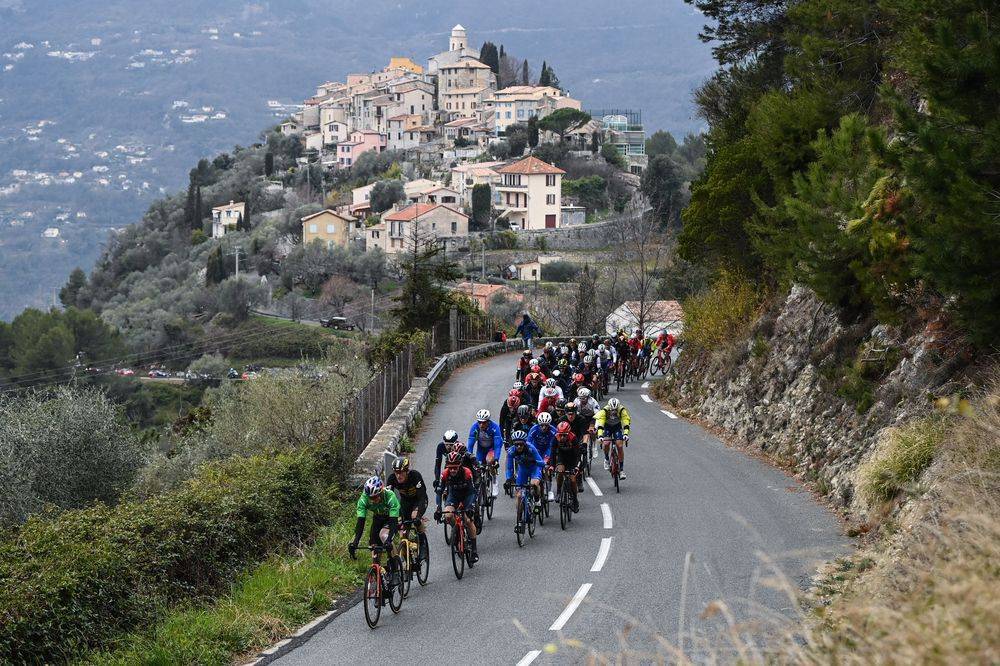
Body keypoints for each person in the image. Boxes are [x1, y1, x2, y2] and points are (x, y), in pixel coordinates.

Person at [349, 476, 401, 581]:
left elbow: (393, 522)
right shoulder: (364, 499)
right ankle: (378, 582)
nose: (374, 500)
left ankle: (395, 570)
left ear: (381, 491)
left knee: (384, 536)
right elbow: (360, 523)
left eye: (376, 496)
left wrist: (389, 540)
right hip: (378, 518)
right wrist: (355, 542)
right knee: (374, 548)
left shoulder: (390, 496)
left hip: (391, 518)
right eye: (371, 498)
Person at [439, 451, 479, 562]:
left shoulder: (467, 473)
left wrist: (470, 507)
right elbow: (439, 491)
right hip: (454, 495)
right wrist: (438, 508)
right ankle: (456, 530)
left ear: (460, 466)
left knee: (468, 520)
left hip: (467, 495)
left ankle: (474, 550)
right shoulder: (445, 473)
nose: (452, 470)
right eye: (450, 468)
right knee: (447, 515)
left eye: (455, 468)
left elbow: (473, 492)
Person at [503, 430, 545, 524]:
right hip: (523, 471)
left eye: (521, 444)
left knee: (534, 484)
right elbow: (509, 467)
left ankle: (537, 501)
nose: (519, 447)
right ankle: (519, 519)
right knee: (518, 496)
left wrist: (534, 461)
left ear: (525, 443)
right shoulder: (511, 451)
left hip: (534, 469)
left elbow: (542, 463)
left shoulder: (531, 448)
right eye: (516, 444)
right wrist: (508, 479)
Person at [385, 457, 428, 533]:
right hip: (405, 501)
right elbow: (388, 499)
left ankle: (422, 541)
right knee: (402, 525)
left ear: (407, 471)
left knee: (415, 518)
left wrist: (418, 516)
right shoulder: (392, 479)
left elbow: (422, 497)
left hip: (418, 500)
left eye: (401, 472)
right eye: (396, 472)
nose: (398, 476)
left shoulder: (415, 476)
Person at [595, 397, 631, 479]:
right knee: (606, 443)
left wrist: (625, 434)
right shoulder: (605, 410)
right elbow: (600, 424)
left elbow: (626, 422)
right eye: (612, 410)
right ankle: (606, 459)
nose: (614, 412)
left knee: (620, 446)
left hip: (617, 428)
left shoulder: (622, 410)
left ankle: (621, 470)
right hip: (607, 427)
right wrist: (600, 436)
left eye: (615, 410)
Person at [552, 421, 582, 512]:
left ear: (568, 433)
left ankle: (575, 499)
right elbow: (552, 453)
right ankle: (558, 491)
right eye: (560, 435)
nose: (562, 437)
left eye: (564, 435)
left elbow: (578, 455)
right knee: (560, 472)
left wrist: (577, 466)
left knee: (573, 479)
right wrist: (552, 466)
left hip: (572, 458)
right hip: (561, 457)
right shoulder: (555, 438)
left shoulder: (573, 438)